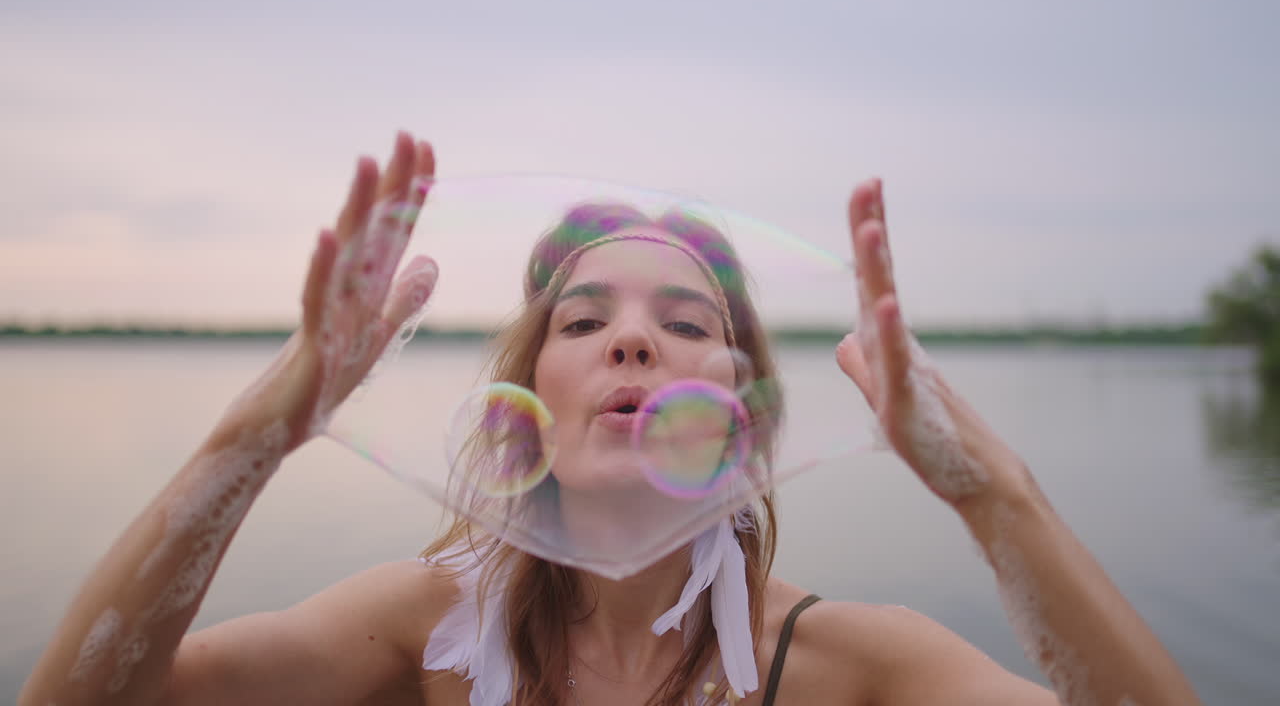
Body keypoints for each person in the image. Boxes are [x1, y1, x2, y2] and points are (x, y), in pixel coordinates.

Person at [19, 132, 1202, 706]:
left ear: (745, 413)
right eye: (582, 323)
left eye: (686, 323)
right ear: (520, 410)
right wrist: (252, 440)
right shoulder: (420, 625)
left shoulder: (851, 664)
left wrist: (994, 497)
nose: (632, 338)